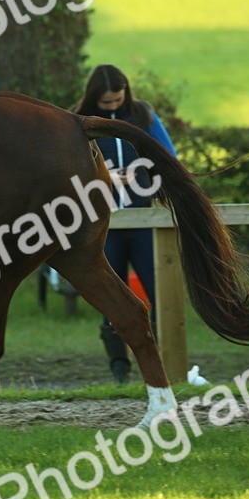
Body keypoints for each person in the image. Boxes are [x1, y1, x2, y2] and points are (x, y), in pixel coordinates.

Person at [70, 64, 178, 384]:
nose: (114, 106)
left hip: (145, 219)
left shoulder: (143, 116)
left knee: (160, 293)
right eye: (106, 103)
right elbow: (68, 172)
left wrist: (153, 184)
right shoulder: (78, 123)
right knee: (112, 298)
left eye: (118, 99)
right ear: (94, 99)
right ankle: (119, 368)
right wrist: (107, 179)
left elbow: (168, 156)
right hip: (105, 225)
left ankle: (164, 366)